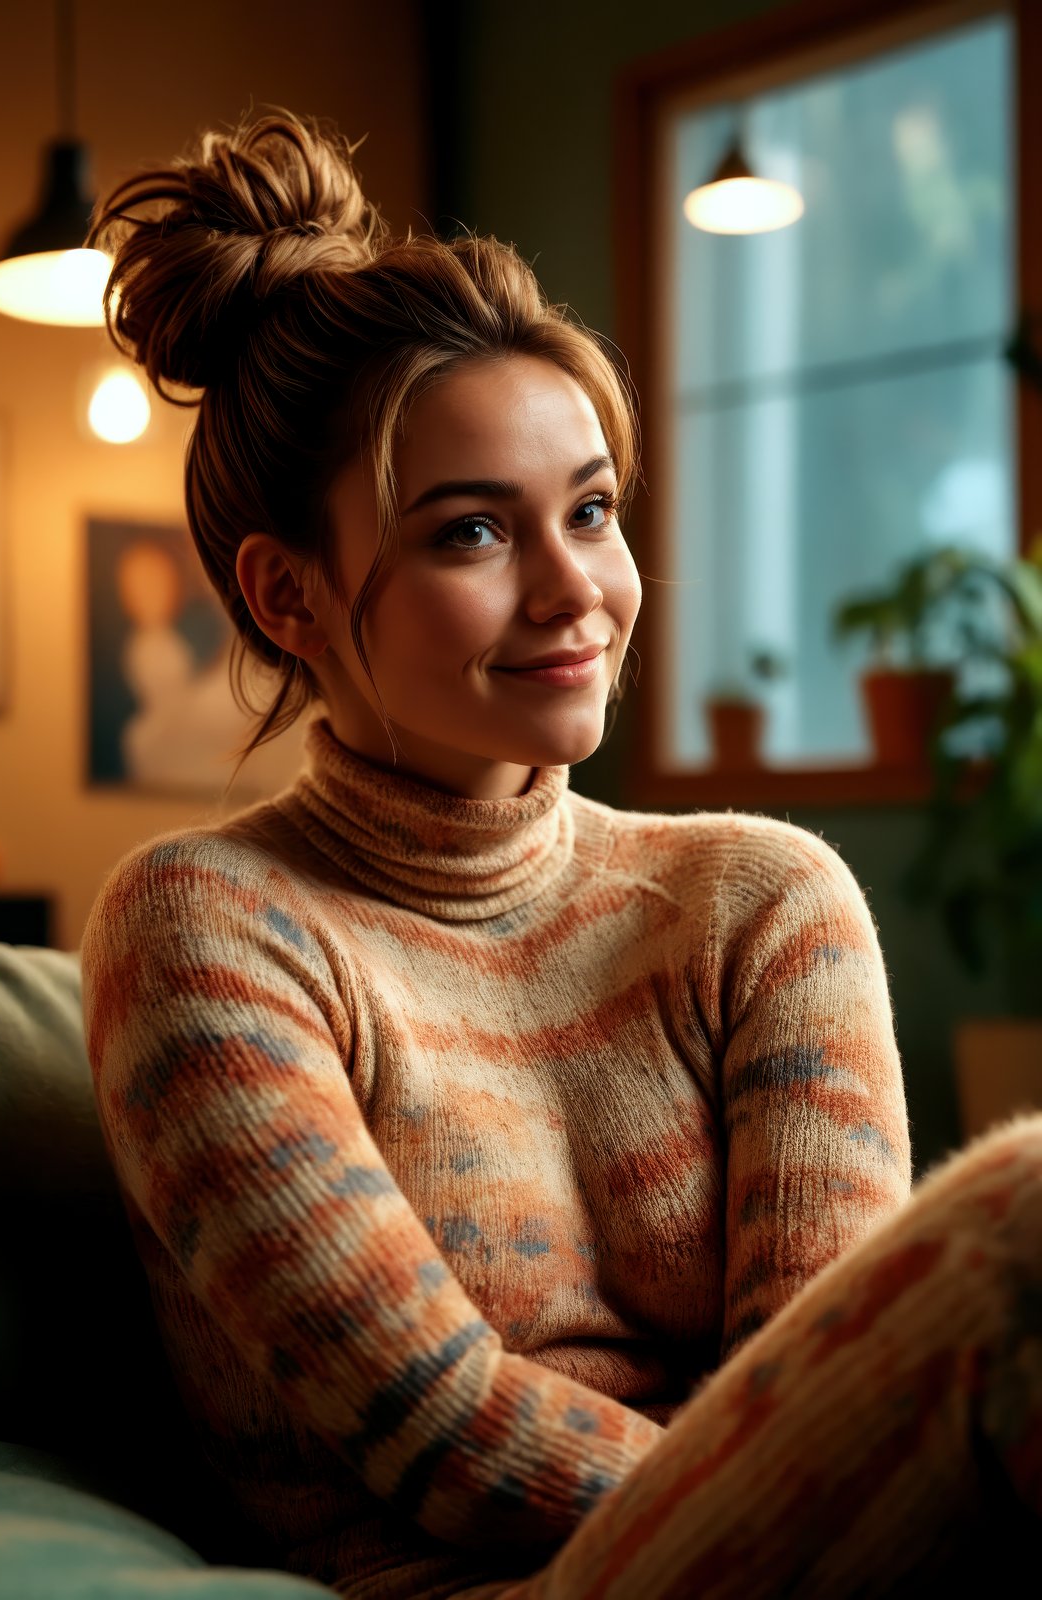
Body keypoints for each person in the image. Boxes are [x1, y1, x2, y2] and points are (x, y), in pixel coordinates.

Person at [79, 108, 1042, 1600]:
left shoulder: (764, 900)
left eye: (590, 511)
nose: (575, 591)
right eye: (472, 534)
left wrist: (852, 1486)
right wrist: (843, 1489)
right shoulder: (205, 929)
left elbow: (823, 1369)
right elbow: (438, 1435)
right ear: (286, 596)